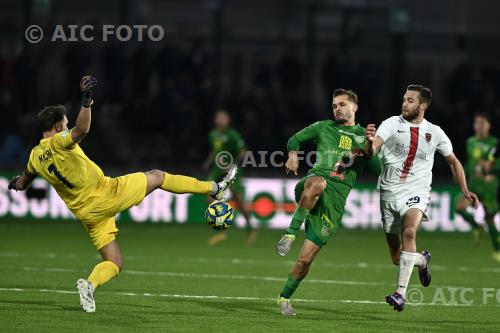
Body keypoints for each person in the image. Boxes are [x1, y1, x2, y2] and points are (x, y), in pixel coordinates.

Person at [7, 76, 237, 313]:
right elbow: (81, 130)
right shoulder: (58, 142)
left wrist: (14, 182)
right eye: (64, 124)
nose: (66, 127)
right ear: (57, 128)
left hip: (88, 215)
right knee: (158, 176)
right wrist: (86, 101)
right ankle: (215, 188)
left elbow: (22, 182)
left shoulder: (34, 157)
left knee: (114, 261)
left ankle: (90, 285)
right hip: (105, 193)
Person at [365, 84, 479, 312]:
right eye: (404, 99)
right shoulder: (390, 124)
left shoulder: (435, 132)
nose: (404, 103)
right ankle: (422, 260)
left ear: (423, 105)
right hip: (388, 192)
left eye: (410, 100)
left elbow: (453, 162)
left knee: (409, 231)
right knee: (398, 258)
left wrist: (465, 190)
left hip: (417, 191)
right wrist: (369, 142)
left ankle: (400, 295)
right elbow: (372, 152)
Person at [275, 89, 381, 316]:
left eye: (342, 105)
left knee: (304, 261)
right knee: (318, 183)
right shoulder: (324, 127)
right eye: (334, 105)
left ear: (355, 107)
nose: (337, 109)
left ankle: (284, 298)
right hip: (311, 186)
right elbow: (294, 139)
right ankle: (290, 234)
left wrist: (370, 147)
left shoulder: (364, 136)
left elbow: (377, 169)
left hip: (333, 205)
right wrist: (293, 155)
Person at [203, 110, 256, 245]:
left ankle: (250, 229)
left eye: (223, 118)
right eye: (219, 117)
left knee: (239, 201)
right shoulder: (213, 134)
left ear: (228, 120)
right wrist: (208, 162)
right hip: (217, 170)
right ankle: (220, 231)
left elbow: (243, 151)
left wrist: (233, 163)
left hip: (231, 170)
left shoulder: (232, 134)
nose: (221, 120)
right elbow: (215, 150)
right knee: (209, 197)